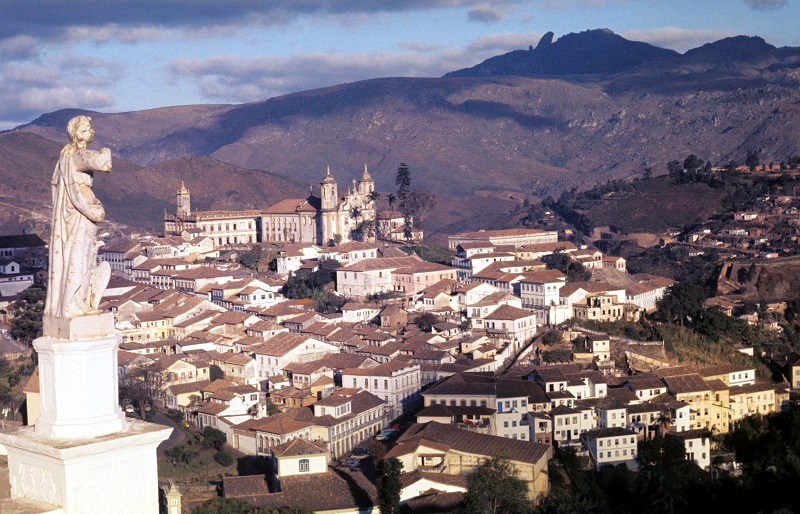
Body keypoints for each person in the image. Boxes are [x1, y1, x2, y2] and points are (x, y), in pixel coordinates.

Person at [44, 115, 112, 319]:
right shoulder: (76, 155)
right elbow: (104, 163)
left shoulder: (65, 156)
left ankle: (78, 301)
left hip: (75, 213)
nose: (93, 131)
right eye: (89, 128)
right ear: (79, 133)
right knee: (79, 257)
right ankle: (72, 304)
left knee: (83, 258)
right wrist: (106, 150)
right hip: (80, 214)